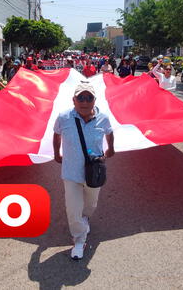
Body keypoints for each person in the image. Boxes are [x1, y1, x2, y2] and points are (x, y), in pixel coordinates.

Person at [53, 82, 115, 260]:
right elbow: (56, 134)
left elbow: (109, 132)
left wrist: (111, 148)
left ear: (94, 100)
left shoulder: (103, 118)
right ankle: (79, 240)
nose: (84, 101)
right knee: (73, 209)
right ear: (74, 100)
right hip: (71, 172)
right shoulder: (64, 117)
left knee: (90, 205)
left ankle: (84, 220)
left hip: (94, 173)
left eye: (89, 98)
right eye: (80, 97)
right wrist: (57, 153)